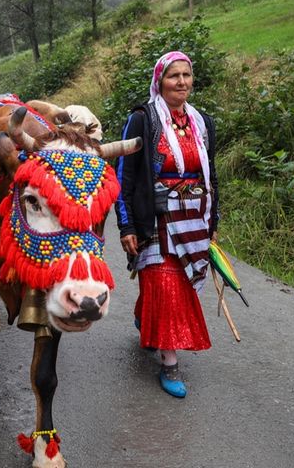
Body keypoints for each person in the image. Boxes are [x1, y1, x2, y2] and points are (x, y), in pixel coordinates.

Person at [114, 51, 219, 398]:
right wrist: (126, 225)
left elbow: (211, 175)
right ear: (160, 80)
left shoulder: (202, 122)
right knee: (164, 282)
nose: (182, 82)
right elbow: (124, 175)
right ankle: (169, 362)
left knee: (180, 283)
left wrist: (213, 219)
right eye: (174, 76)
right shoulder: (143, 119)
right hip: (154, 216)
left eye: (187, 75)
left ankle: (146, 316)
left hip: (194, 218)